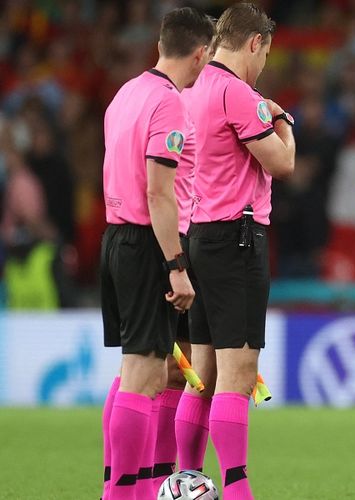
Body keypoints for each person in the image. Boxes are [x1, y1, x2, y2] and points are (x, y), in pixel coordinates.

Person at [173, 3, 294, 498]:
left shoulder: (192, 89)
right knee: (237, 376)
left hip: (198, 234)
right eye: (265, 52)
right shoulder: (238, 94)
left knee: (201, 372)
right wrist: (285, 121)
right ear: (254, 43)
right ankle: (238, 489)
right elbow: (282, 164)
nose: (264, 62)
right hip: (237, 238)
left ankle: (185, 479)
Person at [99, 7, 213, 500]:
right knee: (145, 376)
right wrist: (176, 265)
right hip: (149, 244)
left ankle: (121, 487)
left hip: (115, 239)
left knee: (133, 372)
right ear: (202, 54)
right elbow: (159, 192)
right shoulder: (169, 104)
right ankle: (126, 496)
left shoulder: (127, 92)